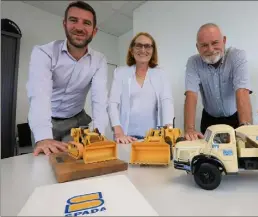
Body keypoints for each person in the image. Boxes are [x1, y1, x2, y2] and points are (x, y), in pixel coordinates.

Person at [26, 1, 109, 156]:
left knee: (75, 160)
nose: (79, 27)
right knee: (45, 164)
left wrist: (99, 133)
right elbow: (39, 95)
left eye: (86, 23)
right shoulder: (44, 53)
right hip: (46, 120)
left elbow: (100, 100)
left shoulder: (99, 60)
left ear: (94, 31)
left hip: (76, 121)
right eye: (73, 20)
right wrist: (43, 137)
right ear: (64, 24)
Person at [184, 23, 253, 141]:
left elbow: (242, 91)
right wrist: (189, 129)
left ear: (224, 40)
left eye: (215, 43)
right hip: (209, 121)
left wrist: (246, 128)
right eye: (204, 45)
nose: (210, 49)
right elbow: (191, 95)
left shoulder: (237, 56)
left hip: (236, 119)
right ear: (197, 47)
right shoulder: (193, 62)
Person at [108, 32, 174, 144]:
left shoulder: (161, 74)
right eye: (138, 45)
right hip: (127, 137)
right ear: (132, 50)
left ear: (153, 51)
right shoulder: (120, 73)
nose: (143, 50)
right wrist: (118, 132)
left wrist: (169, 130)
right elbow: (112, 103)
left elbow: (166, 101)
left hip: (153, 138)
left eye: (147, 46)